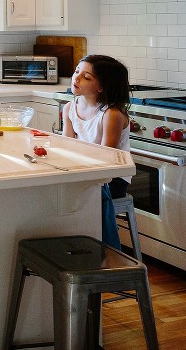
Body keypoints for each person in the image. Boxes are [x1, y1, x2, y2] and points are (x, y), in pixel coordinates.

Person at [62, 54, 131, 250]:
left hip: (113, 177)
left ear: (101, 87)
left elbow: (105, 157)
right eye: (77, 71)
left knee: (83, 193)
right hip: (87, 169)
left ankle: (105, 250)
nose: (76, 78)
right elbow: (67, 146)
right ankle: (75, 244)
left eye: (87, 77)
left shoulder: (111, 115)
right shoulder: (70, 108)